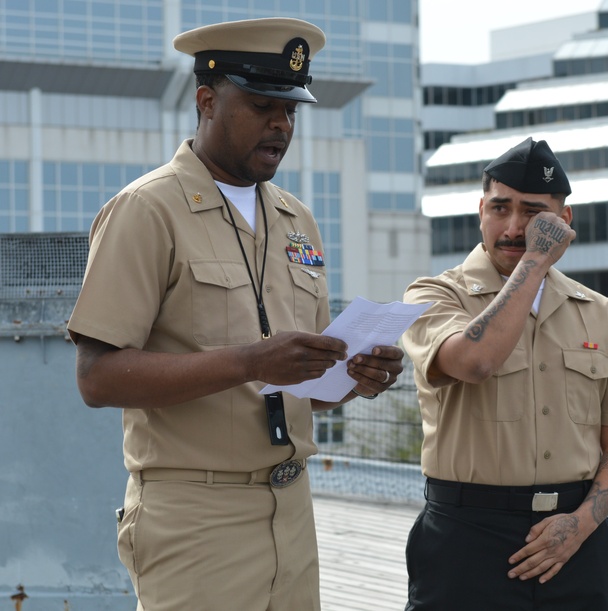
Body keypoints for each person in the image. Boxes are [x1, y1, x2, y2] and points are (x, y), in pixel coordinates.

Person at [67, 18, 404, 611]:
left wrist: (354, 378)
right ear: (206, 101)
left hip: (292, 510)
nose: (281, 124)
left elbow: (308, 386)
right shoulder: (147, 210)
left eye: (291, 110)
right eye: (261, 105)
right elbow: (97, 378)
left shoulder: (298, 219)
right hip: (196, 519)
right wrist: (250, 361)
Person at [401, 137, 608, 610]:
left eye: (534, 214)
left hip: (577, 537)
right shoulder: (434, 295)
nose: (514, 228)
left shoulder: (597, 311)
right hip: (467, 537)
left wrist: (579, 526)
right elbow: (475, 361)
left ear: (563, 222)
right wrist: (536, 259)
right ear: (480, 210)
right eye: (500, 208)